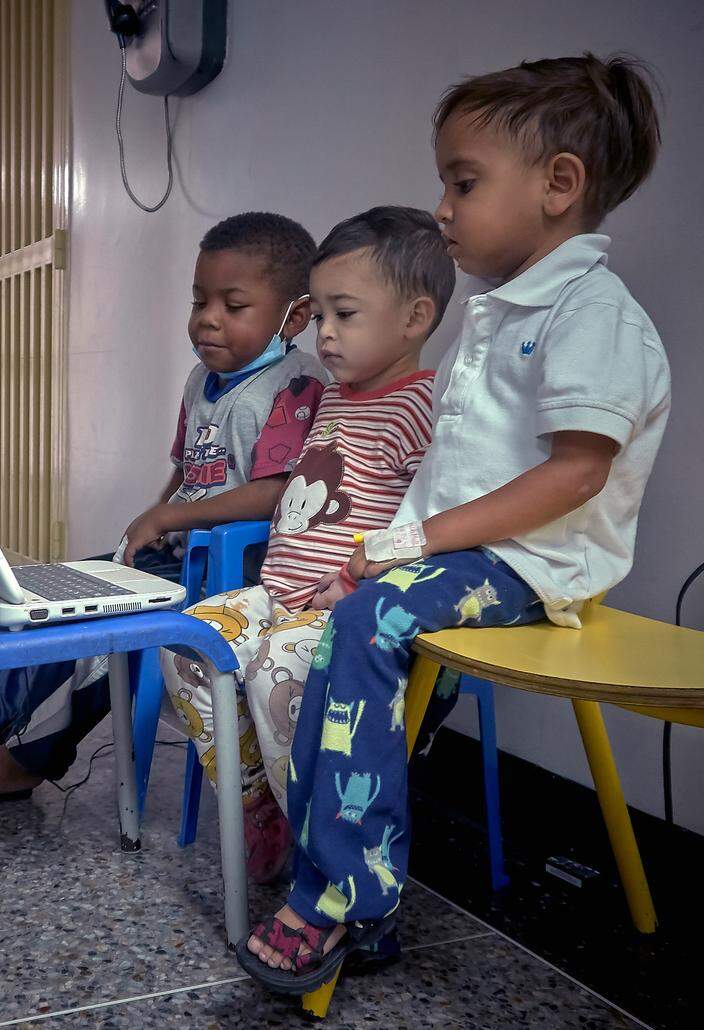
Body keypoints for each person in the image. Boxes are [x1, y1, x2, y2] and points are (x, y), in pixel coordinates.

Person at [240, 53, 670, 995]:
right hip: (464, 554)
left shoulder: (594, 314)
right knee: (329, 629)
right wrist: (375, 549)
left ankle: (343, 894)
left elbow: (576, 472)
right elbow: (443, 471)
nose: (442, 207)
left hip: (531, 564)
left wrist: (410, 547)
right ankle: (359, 885)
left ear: (560, 186)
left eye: (463, 182)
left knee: (359, 627)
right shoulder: (496, 312)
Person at [0, 212, 328, 807]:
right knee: (50, 598)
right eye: (199, 300)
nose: (208, 318)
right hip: (180, 554)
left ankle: (31, 759)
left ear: (295, 315)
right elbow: (189, 473)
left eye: (234, 306)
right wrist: (152, 524)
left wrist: (167, 520)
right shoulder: (199, 380)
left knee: (100, 634)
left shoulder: (296, 384)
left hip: (238, 574)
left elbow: (278, 489)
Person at [160, 207, 453, 885]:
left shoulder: (422, 404)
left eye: (343, 315)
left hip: (345, 612)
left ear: (414, 319)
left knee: (272, 667)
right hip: (280, 593)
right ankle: (259, 804)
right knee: (186, 643)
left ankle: (324, 845)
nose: (323, 334)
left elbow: (433, 523)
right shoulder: (331, 398)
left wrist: (362, 584)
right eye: (318, 314)